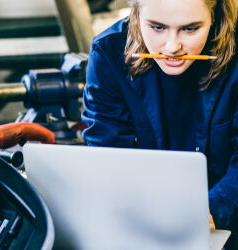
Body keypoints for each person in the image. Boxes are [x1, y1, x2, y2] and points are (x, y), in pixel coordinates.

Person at [81, 0, 238, 248]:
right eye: (157, 27)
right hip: (145, 223)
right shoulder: (109, 52)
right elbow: (108, 154)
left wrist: (212, 209)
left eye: (190, 28)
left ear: (214, 15)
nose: (172, 47)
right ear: (135, 14)